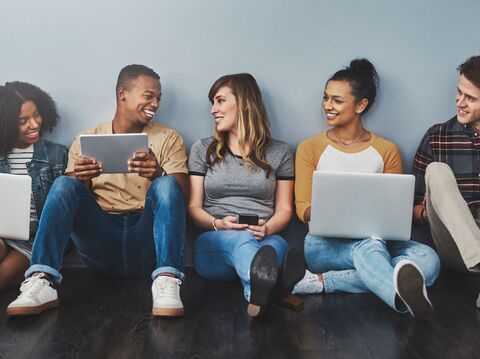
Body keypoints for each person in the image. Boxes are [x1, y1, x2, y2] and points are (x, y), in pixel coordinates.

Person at [7, 64, 189, 317]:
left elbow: (182, 195)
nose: (156, 103)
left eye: (159, 98)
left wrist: (158, 174)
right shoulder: (86, 138)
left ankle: (168, 279)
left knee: (167, 183)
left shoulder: (169, 138)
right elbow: (67, 199)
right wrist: (83, 179)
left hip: (147, 243)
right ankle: (42, 280)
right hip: (100, 243)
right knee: (64, 183)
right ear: (122, 94)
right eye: (149, 96)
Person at [292, 59, 440, 318]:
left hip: (380, 242)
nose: (328, 106)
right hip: (323, 244)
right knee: (369, 247)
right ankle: (399, 295)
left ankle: (322, 282)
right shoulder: (310, 148)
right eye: (325, 98)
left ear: (361, 105)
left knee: (429, 261)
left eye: (337, 100)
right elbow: (302, 208)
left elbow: (395, 214)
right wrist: (339, 211)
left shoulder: (386, 150)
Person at [188, 73, 305, 317]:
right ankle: (281, 287)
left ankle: (257, 295)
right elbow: (193, 209)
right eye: (213, 103)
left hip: (265, 239)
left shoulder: (280, 152)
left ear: (244, 103)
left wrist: (268, 229)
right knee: (243, 242)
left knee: (276, 247)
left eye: (220, 101)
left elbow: (284, 209)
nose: (213, 110)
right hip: (215, 242)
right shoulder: (203, 149)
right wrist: (218, 223)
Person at [411, 56, 480, 305]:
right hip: (457, 249)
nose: (459, 102)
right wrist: (428, 211)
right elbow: (412, 210)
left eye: (470, 98)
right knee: (437, 170)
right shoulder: (437, 137)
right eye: (459, 92)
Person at [0, 82, 68, 291]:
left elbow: (64, 212)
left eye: (36, 115)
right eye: (23, 121)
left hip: (35, 239)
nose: (34, 124)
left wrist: (29, 228)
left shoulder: (57, 155)